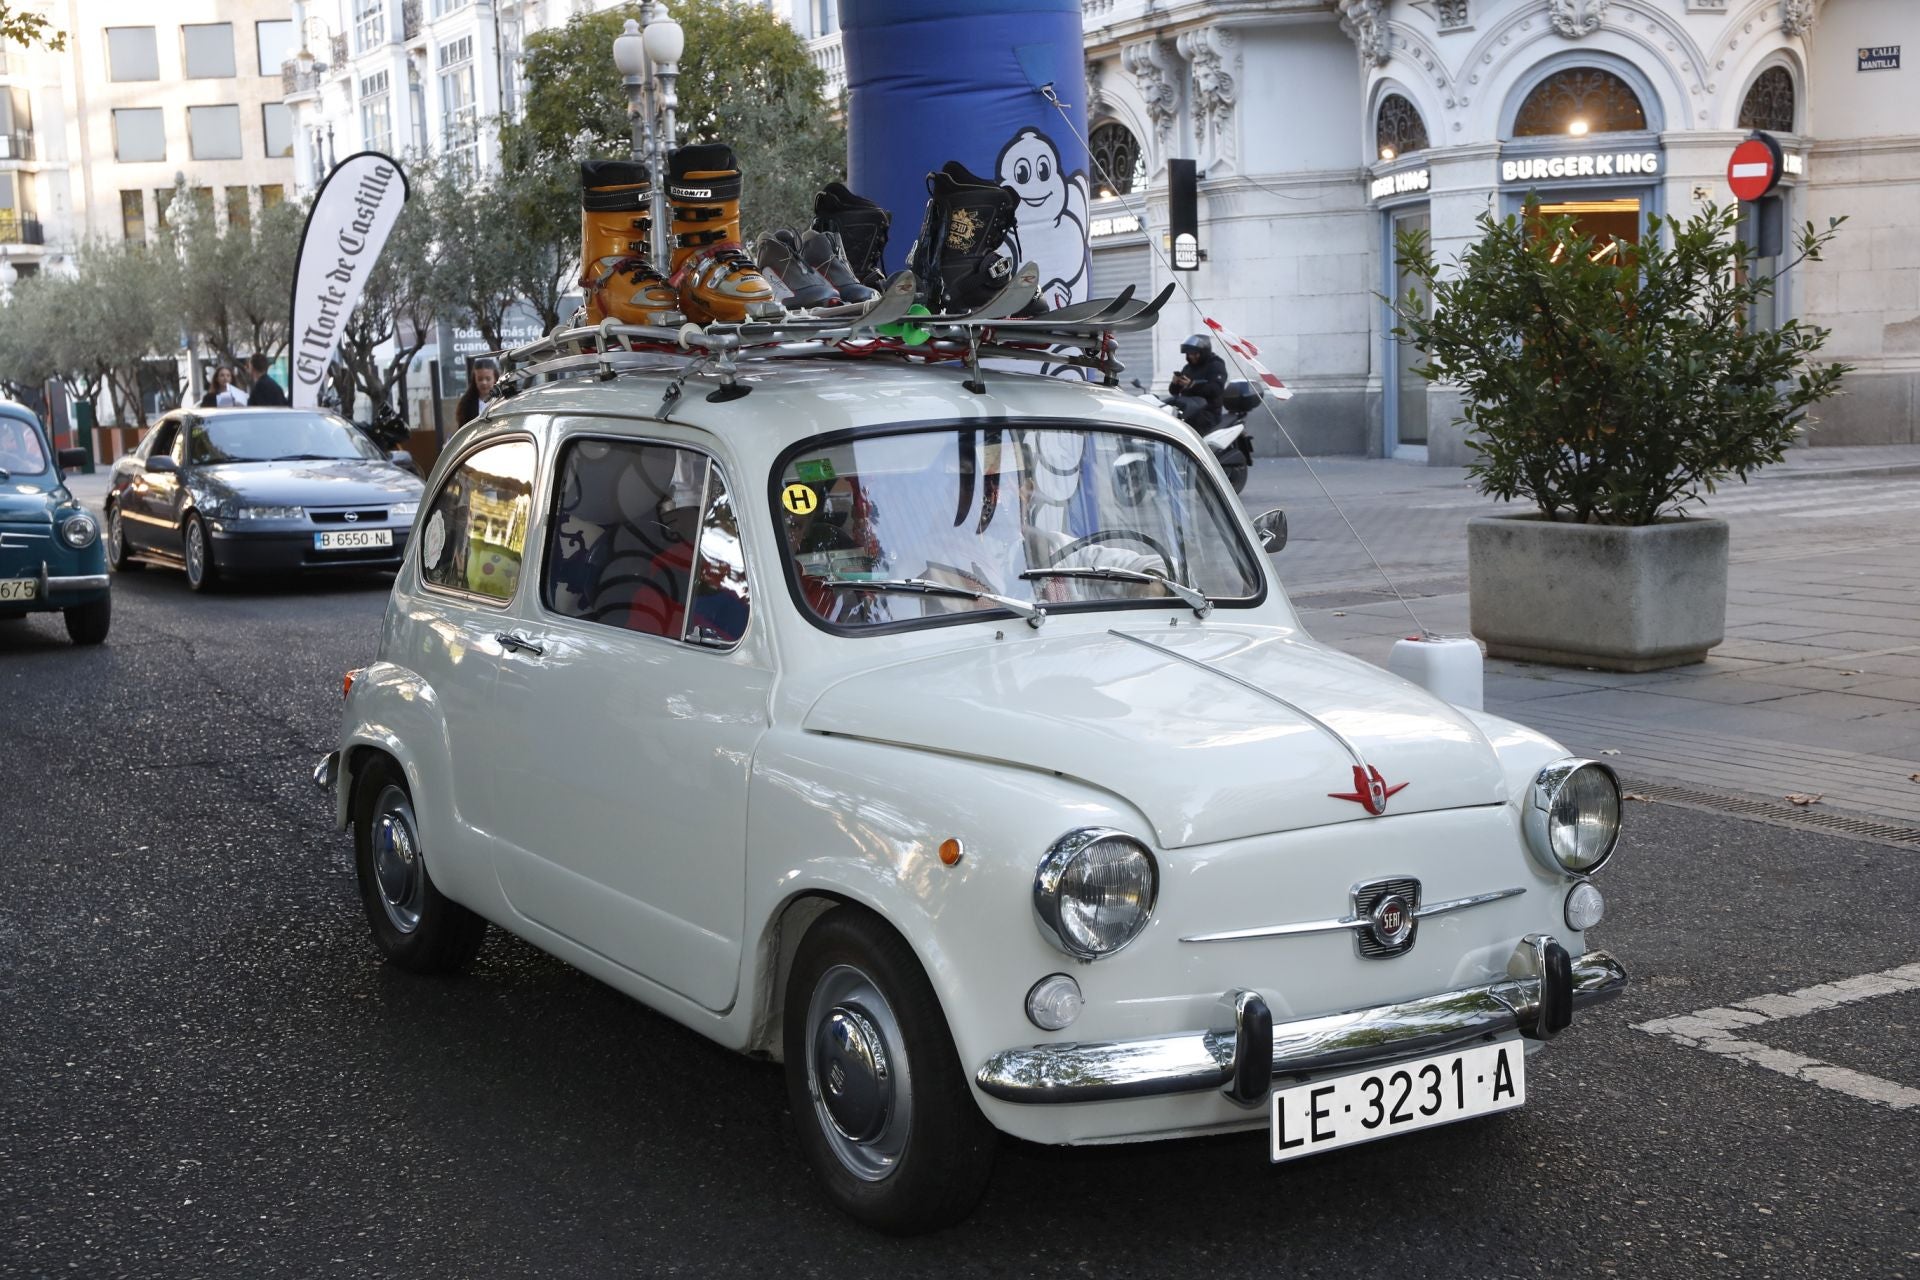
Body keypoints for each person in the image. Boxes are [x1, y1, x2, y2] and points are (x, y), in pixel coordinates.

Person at [1167, 333, 1228, 431]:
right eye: (1189, 354)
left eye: (1195, 353)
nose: (1191, 356)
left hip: (1207, 413)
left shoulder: (1216, 365)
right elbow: (1174, 392)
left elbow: (1216, 389)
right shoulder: (1188, 368)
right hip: (1188, 410)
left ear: (1204, 352)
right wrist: (1175, 383)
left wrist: (1192, 385)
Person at [454, 359, 498, 427]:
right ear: (474, 380)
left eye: (488, 379)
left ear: (495, 378)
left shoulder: (503, 399)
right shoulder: (466, 404)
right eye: (480, 379)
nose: (484, 383)